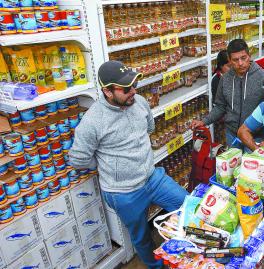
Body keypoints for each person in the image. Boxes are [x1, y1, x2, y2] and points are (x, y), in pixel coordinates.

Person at [69, 60, 189, 268]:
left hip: (153, 178)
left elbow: (149, 128)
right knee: (141, 236)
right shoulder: (92, 122)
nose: (133, 91)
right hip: (122, 193)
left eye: (134, 85)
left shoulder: (139, 102)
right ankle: (155, 266)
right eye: (126, 89)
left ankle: (188, 252)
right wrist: (110, 168)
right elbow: (78, 160)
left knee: (188, 207)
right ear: (107, 91)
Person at [191, 39, 264, 147]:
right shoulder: (225, 79)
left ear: (249, 56)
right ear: (229, 60)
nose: (240, 63)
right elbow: (220, 106)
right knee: (233, 163)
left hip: (255, 136)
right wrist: (204, 121)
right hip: (231, 135)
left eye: (243, 58)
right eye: (235, 60)